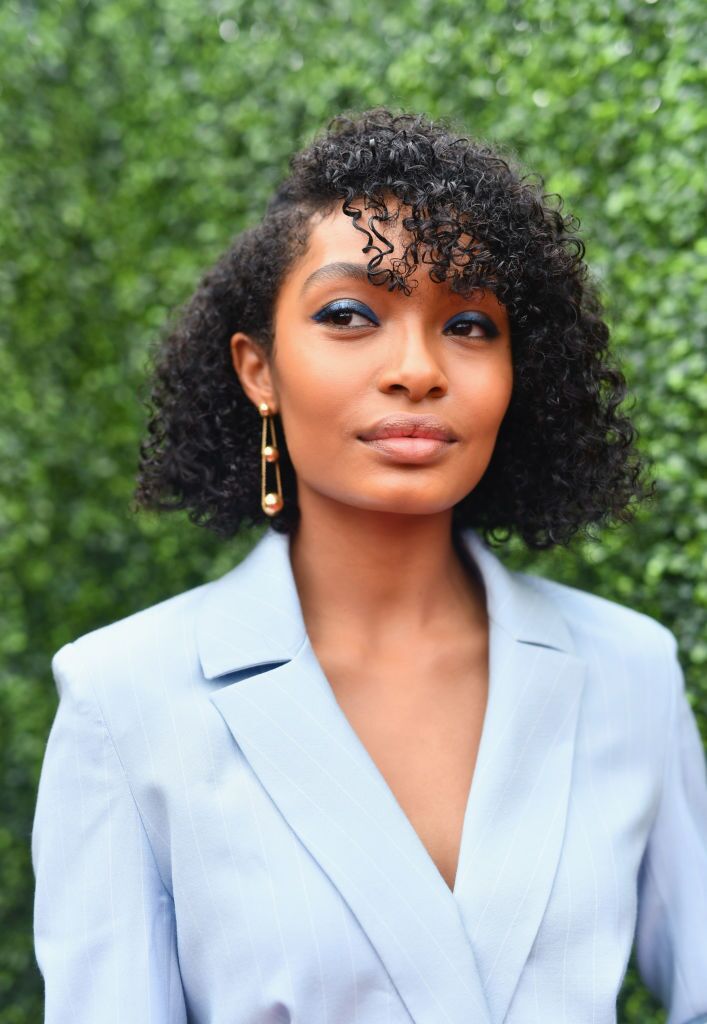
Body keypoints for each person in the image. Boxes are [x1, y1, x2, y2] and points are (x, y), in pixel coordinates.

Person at [31, 107, 707, 1024]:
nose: (418, 369)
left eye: (470, 323)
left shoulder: (628, 670)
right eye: (349, 314)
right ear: (257, 368)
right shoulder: (124, 695)